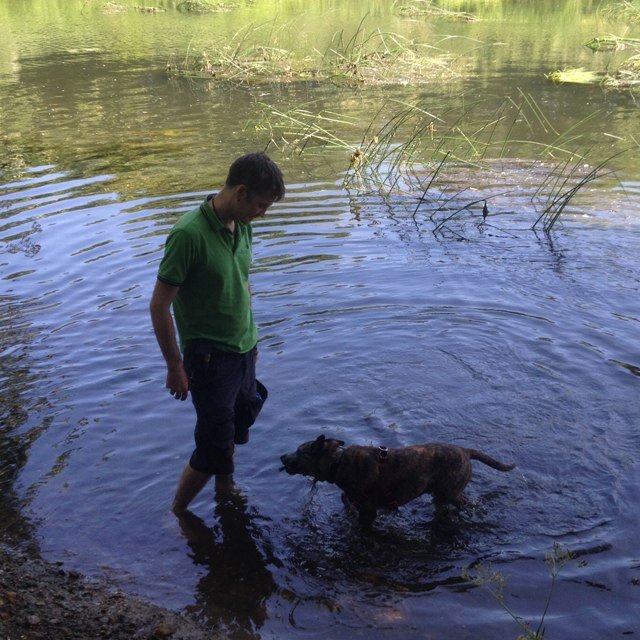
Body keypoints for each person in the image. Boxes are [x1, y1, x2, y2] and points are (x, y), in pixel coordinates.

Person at [150, 152, 285, 516]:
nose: (263, 213)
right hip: (209, 359)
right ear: (240, 192)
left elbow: (241, 280)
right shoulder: (187, 235)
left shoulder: (243, 226)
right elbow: (159, 305)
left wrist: (250, 338)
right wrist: (174, 365)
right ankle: (177, 513)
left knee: (240, 421)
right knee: (213, 445)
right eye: (260, 205)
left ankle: (225, 487)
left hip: (244, 350)